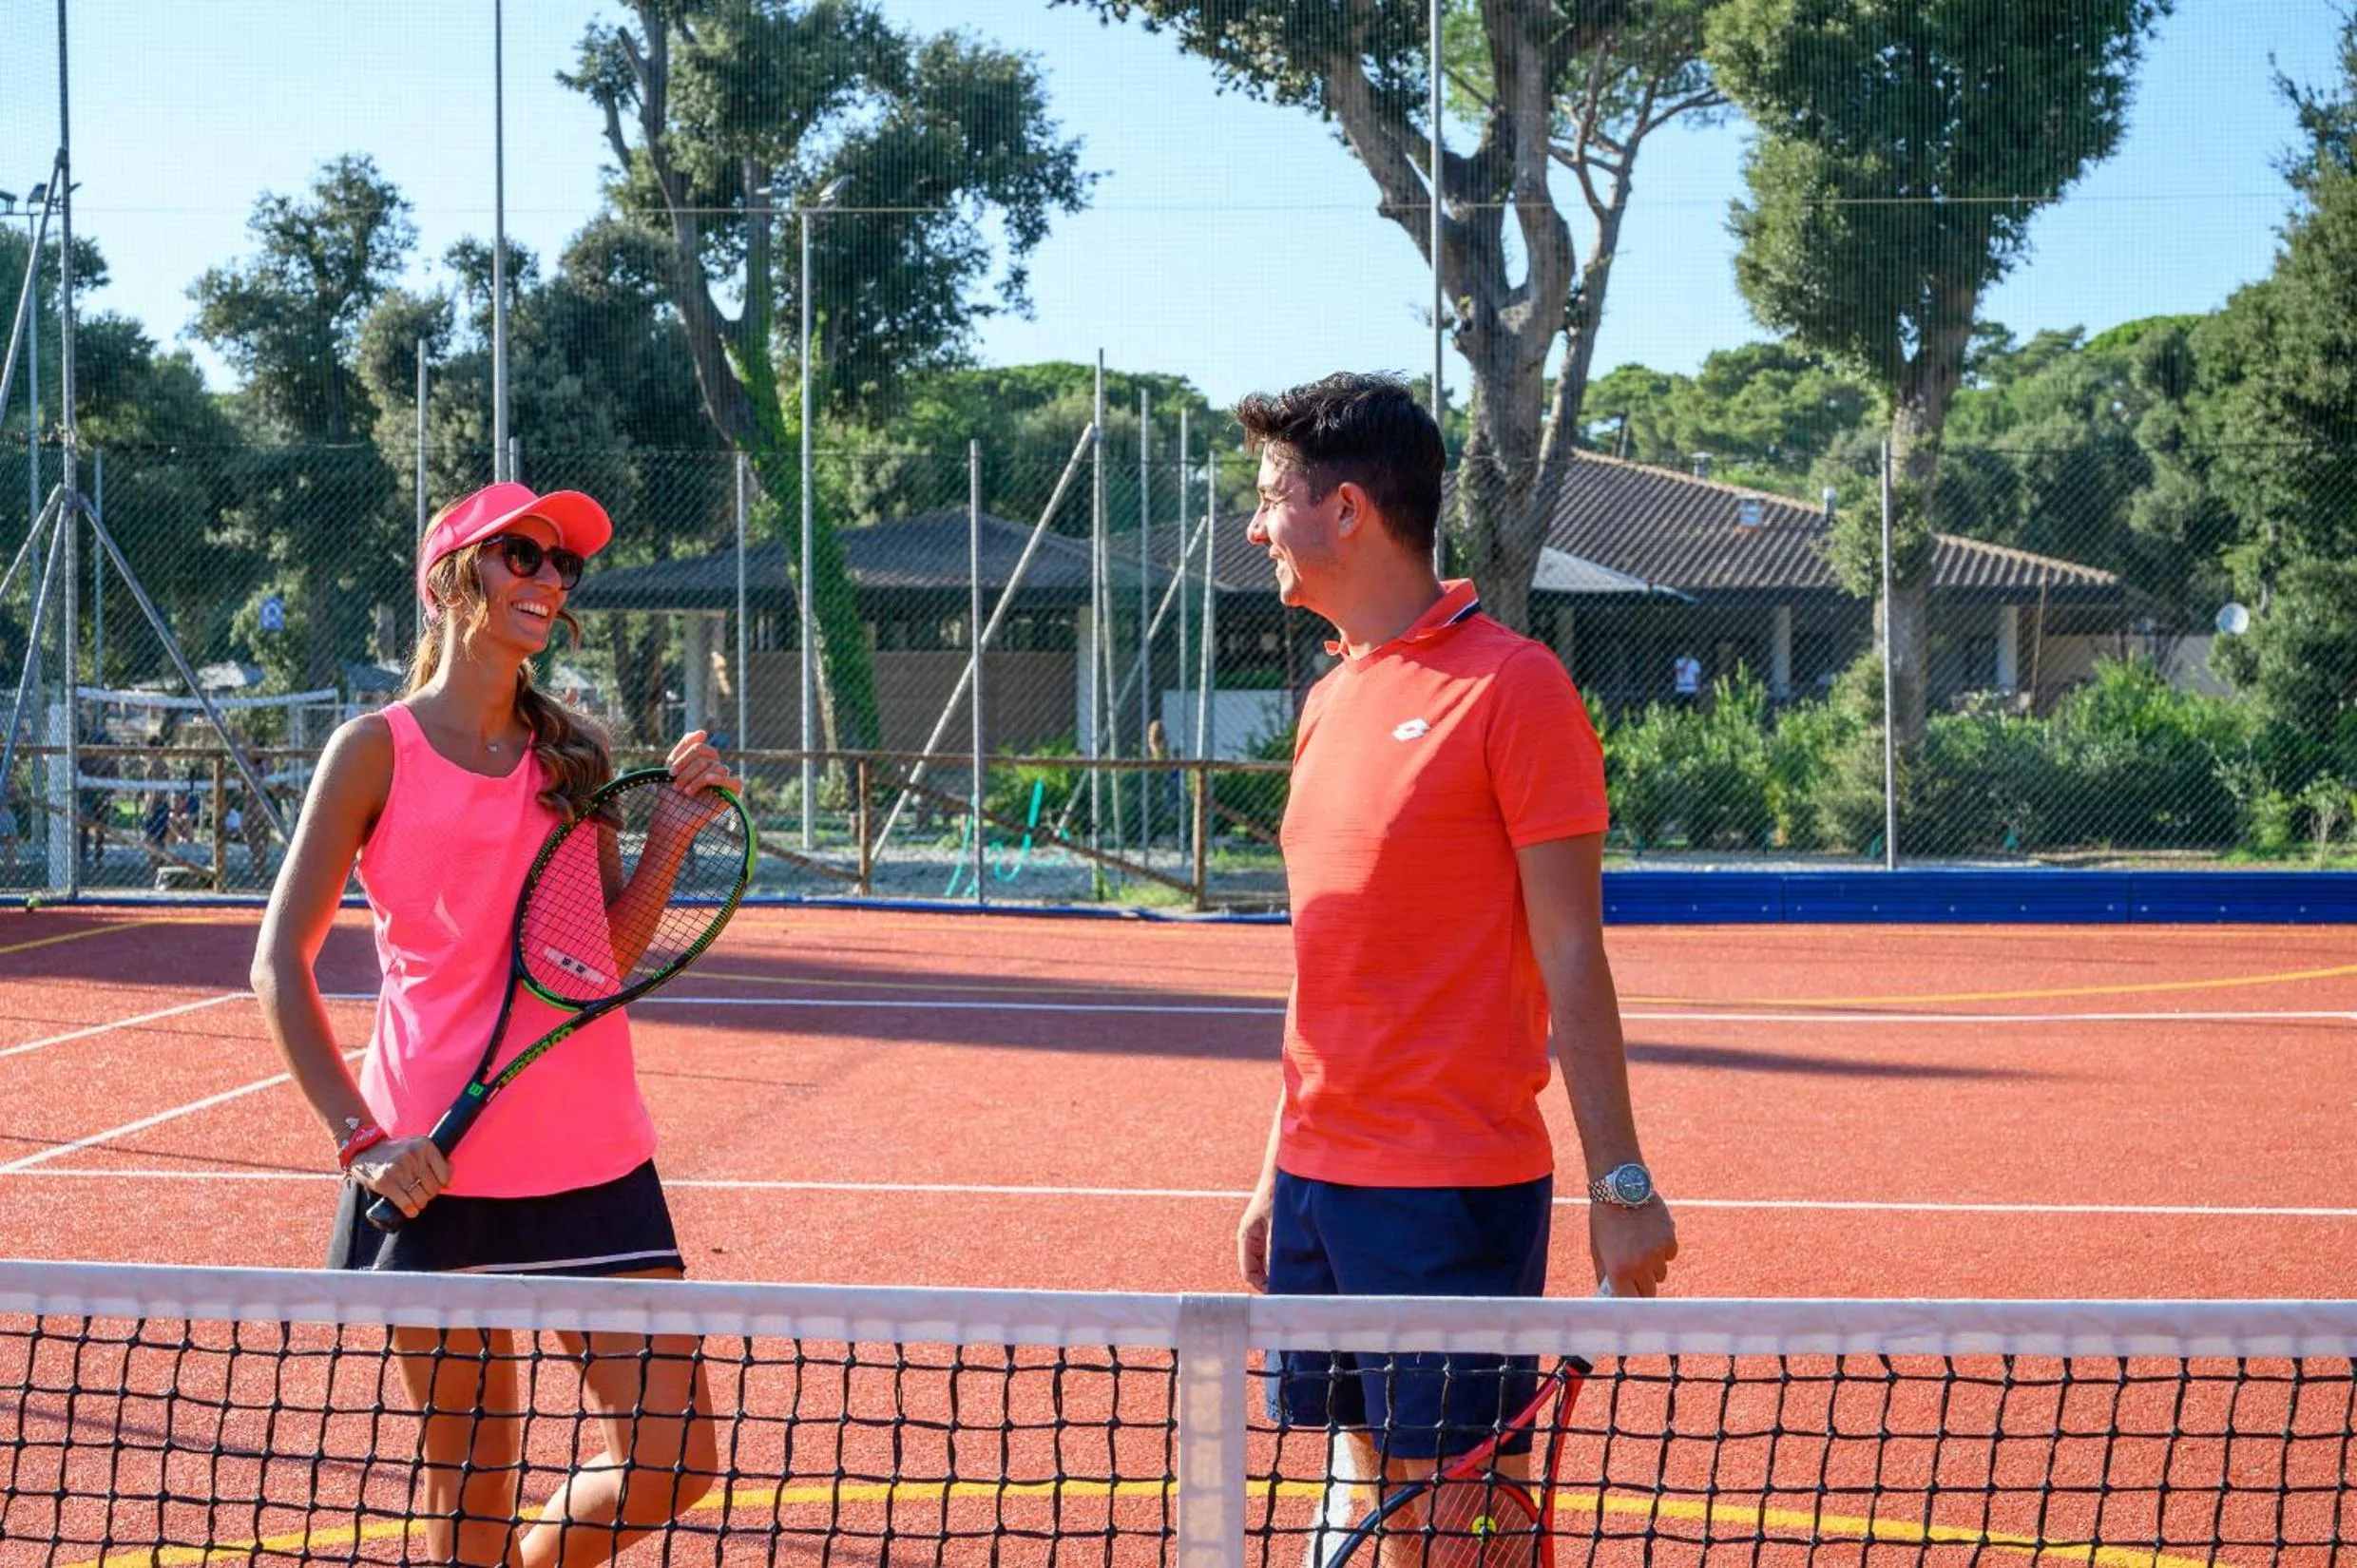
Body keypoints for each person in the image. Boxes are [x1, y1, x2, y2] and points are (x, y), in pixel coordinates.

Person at [1232, 374, 1677, 1563]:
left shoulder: (1515, 688)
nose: (1252, 524)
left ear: (1346, 513)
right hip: (1322, 1186)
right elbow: (1326, 957)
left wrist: (1619, 1186)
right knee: (1368, 1490)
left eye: (1269, 496)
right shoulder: (1330, 700)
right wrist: (1278, 1167)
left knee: (1448, 1533)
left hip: (1444, 1192)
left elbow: (1571, 951)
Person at [251, 481, 729, 1568]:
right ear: (451, 578)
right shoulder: (373, 751)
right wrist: (362, 1140)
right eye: (523, 556)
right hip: (429, 1164)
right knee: (471, 1499)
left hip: (592, 1155)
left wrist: (667, 841)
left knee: (677, 1460)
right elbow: (278, 961)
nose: (550, 581)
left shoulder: (577, 756)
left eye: (564, 567)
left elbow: (590, 963)